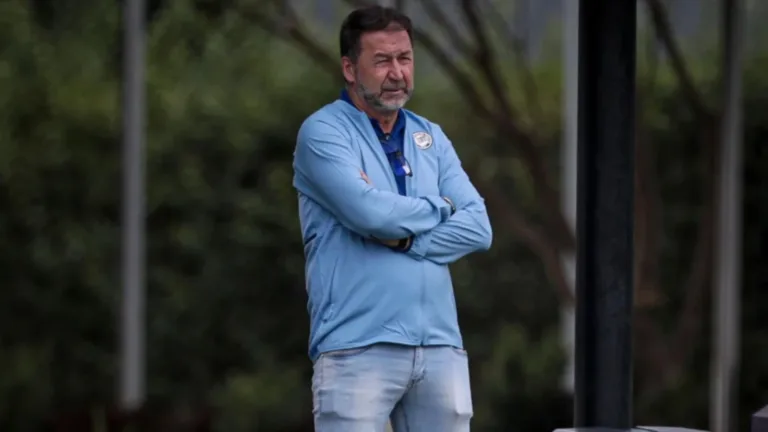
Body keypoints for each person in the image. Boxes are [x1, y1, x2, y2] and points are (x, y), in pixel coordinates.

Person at [292, 5, 492, 432]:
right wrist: (442, 206)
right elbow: (370, 214)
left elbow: (478, 227)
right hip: (357, 345)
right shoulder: (323, 132)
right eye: (382, 60)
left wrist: (408, 240)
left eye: (405, 58)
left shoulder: (430, 135)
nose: (397, 73)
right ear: (350, 68)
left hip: (440, 344)